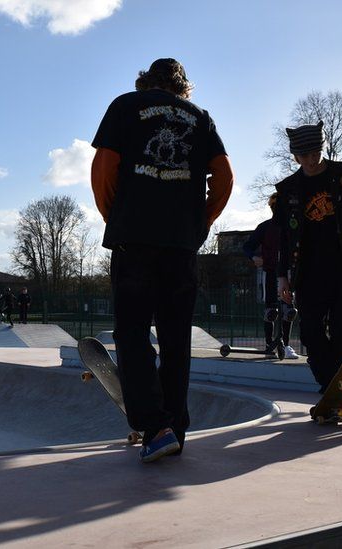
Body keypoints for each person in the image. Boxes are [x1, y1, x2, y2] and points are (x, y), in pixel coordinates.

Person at [91, 57, 233, 462]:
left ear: (146, 82)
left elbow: (103, 170)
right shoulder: (201, 117)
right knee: (176, 337)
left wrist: (115, 216)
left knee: (133, 332)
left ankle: (154, 427)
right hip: (181, 246)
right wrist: (201, 222)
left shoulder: (125, 105)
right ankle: (176, 428)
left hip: (135, 240)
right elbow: (224, 177)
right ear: (183, 87)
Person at [276, 121, 342, 393]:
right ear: (295, 156)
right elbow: (283, 239)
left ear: (322, 148)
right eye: (304, 155)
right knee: (310, 332)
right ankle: (332, 384)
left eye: (315, 153)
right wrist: (280, 276)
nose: (311, 160)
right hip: (308, 273)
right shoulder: (288, 189)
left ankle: (331, 388)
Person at [242, 194, 298, 359]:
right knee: (271, 311)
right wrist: (254, 257)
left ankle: (286, 345)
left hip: (289, 273)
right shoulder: (265, 227)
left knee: (289, 310)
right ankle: (269, 344)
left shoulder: (293, 226)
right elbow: (248, 246)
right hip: (270, 272)